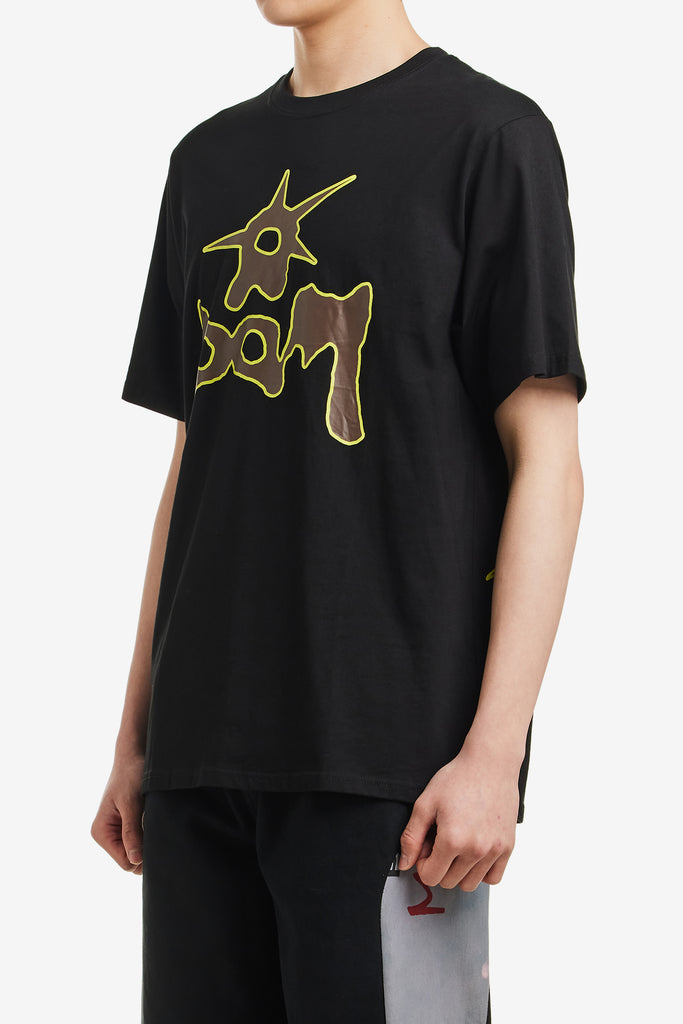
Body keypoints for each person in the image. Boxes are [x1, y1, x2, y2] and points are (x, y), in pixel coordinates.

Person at [90, 1, 588, 1020]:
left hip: (389, 770)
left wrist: (494, 754)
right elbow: (194, 466)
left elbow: (546, 461)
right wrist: (136, 737)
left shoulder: (489, 139)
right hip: (198, 760)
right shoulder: (206, 162)